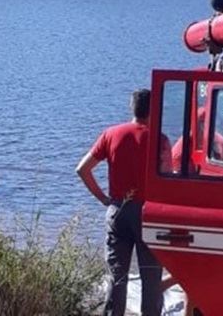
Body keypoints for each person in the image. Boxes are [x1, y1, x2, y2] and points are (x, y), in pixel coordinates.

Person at [76, 89, 163, 316]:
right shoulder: (159, 139)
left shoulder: (111, 134)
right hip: (148, 213)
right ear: (153, 109)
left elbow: (83, 169)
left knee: (117, 277)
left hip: (119, 210)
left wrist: (104, 198)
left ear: (132, 108)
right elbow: (169, 176)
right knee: (151, 278)